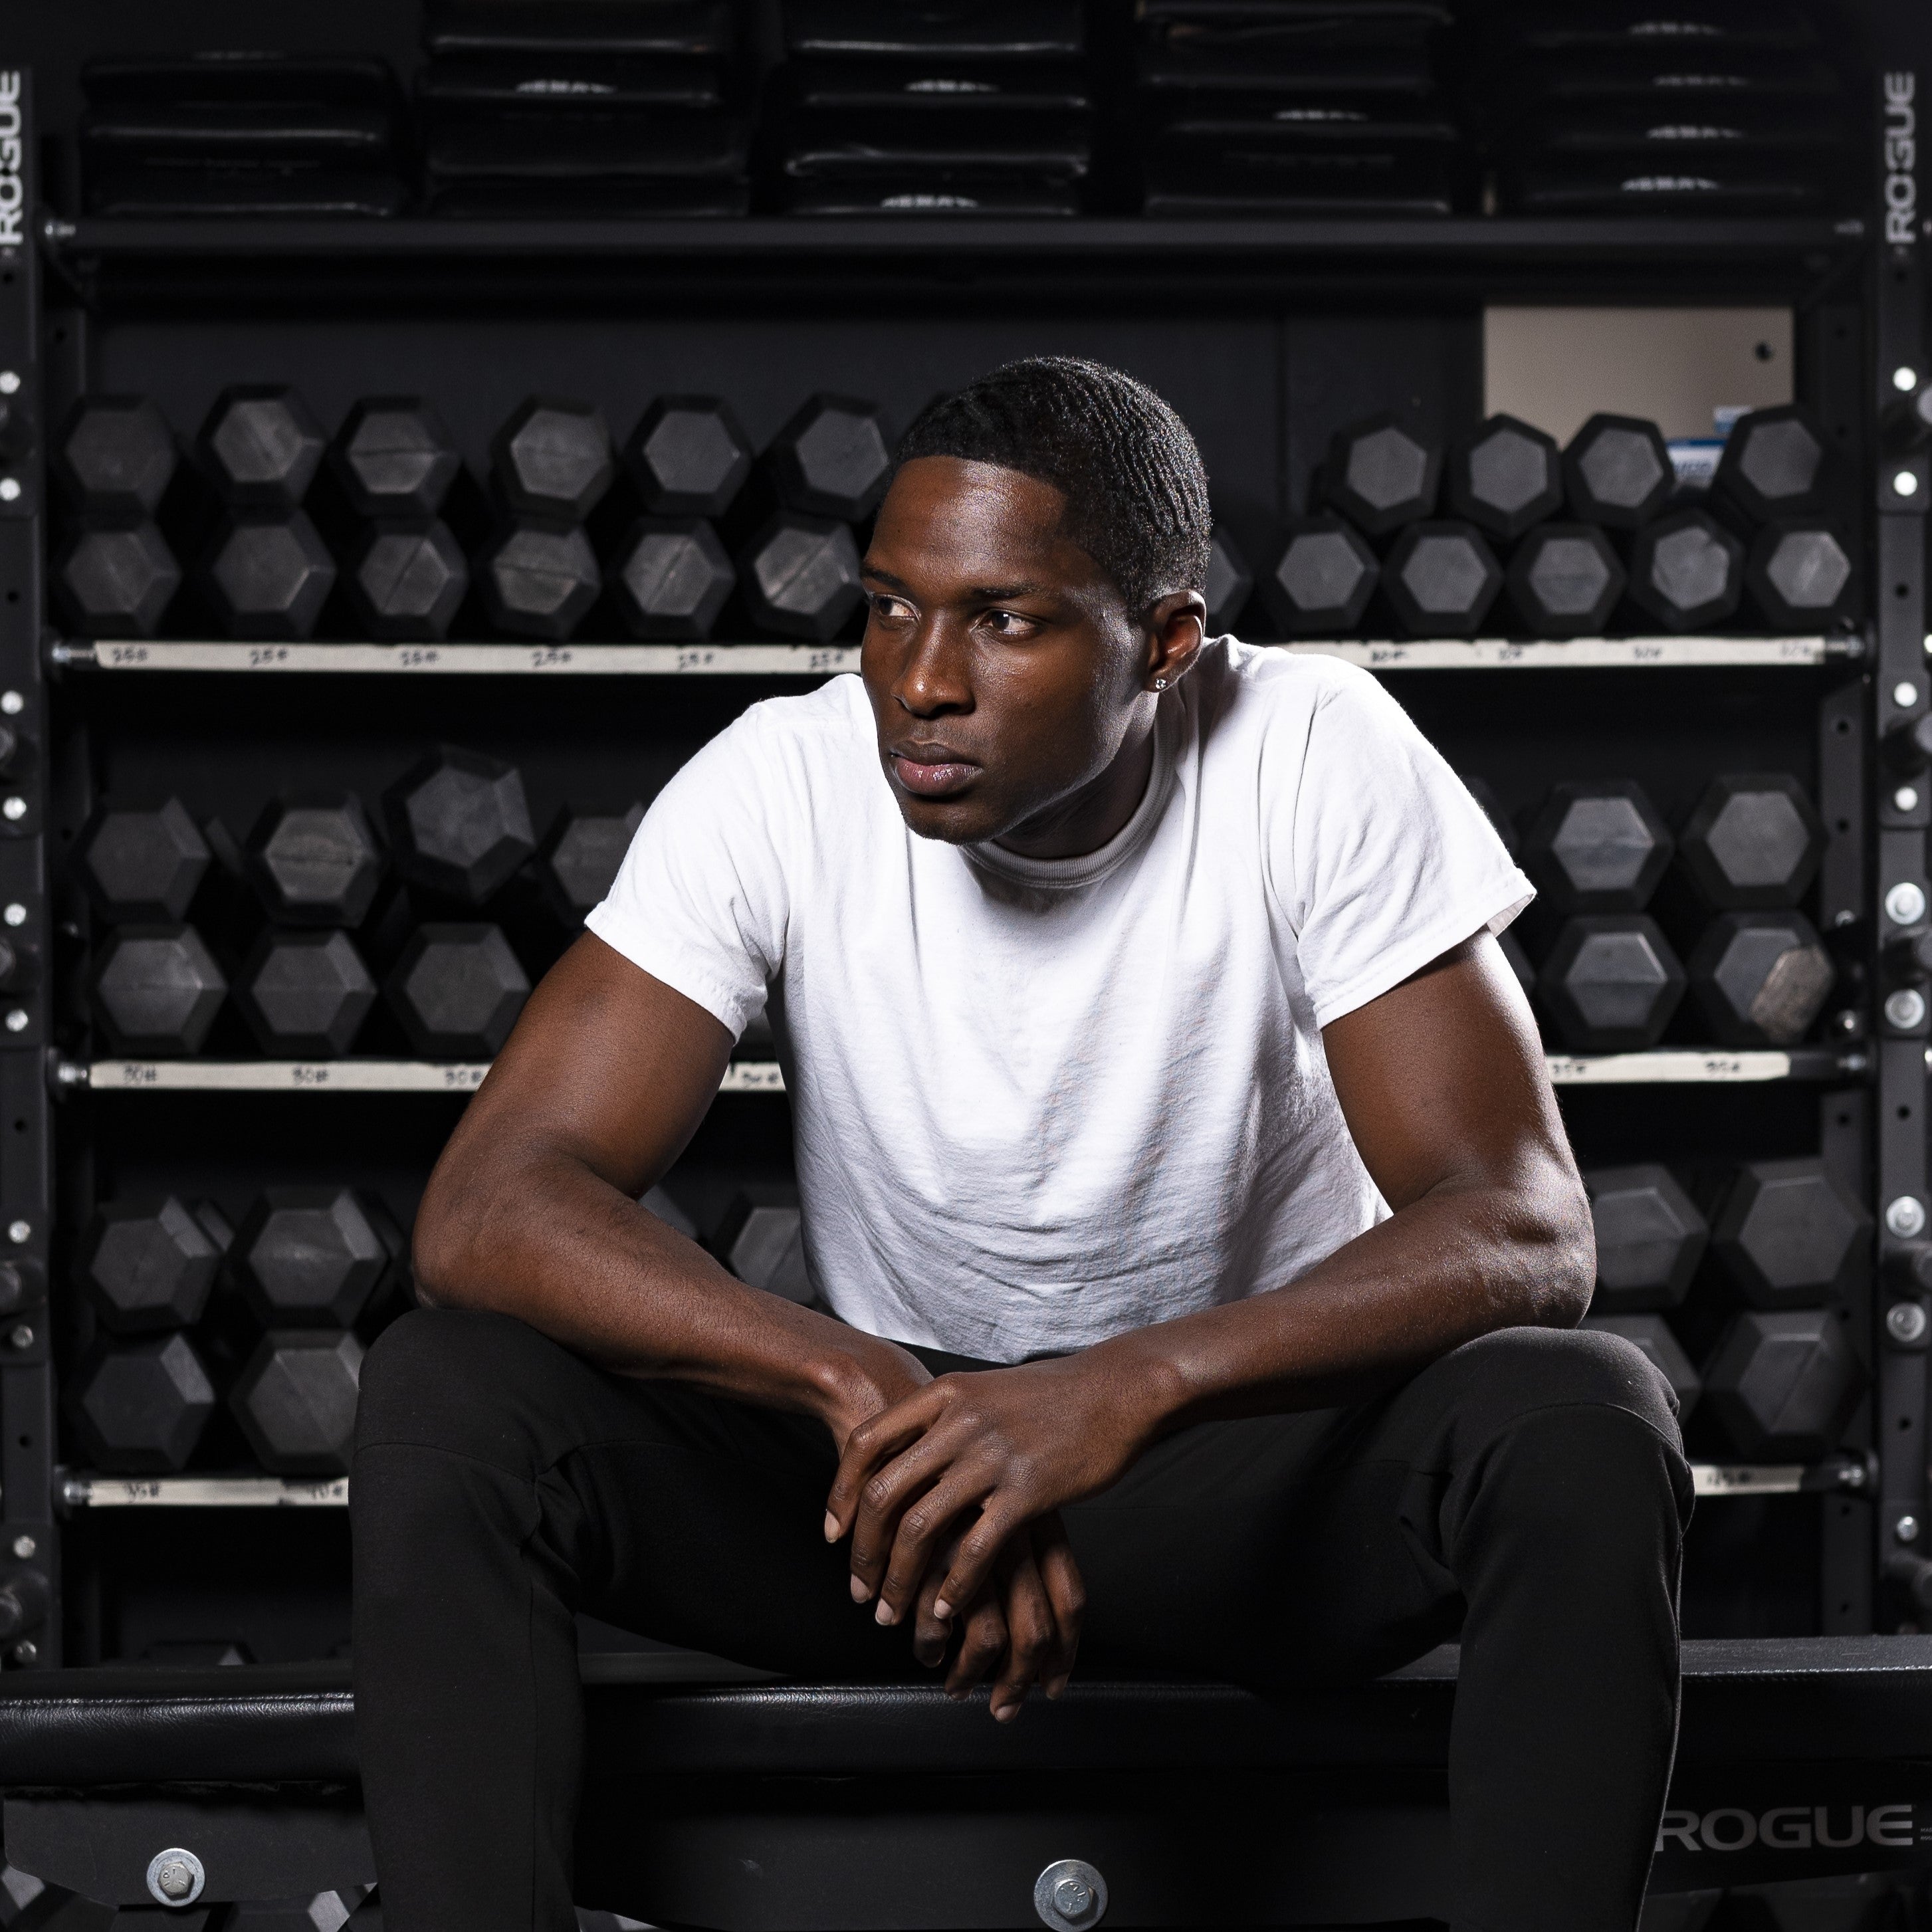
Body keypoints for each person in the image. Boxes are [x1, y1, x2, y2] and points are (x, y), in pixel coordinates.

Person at [352, 356, 1691, 1932]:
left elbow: (1524, 1223)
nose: (917, 678)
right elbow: (491, 1203)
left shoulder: (1311, 748)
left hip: (1228, 1486)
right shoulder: (781, 778)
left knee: (1584, 1412)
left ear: (1168, 643)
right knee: (449, 1393)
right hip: (889, 1507)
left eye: (1003, 619)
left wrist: (1123, 1385)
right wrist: (860, 1386)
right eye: (887, 606)